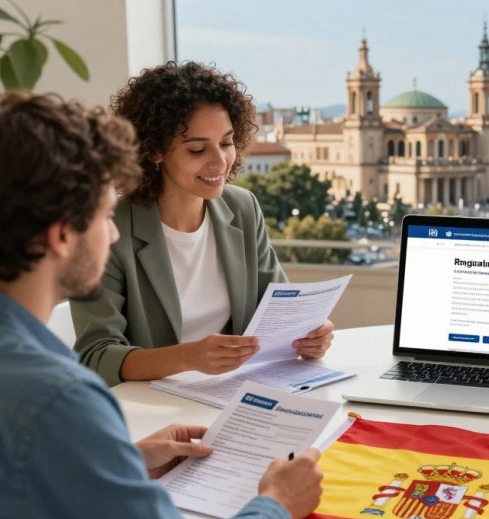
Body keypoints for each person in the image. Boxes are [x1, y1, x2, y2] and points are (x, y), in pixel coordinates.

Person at [0, 92, 325, 519]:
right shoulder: (57, 403)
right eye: (101, 214)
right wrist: (276, 505)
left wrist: (122, 463)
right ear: (60, 236)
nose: (113, 234)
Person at [71, 61, 334, 386]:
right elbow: (96, 357)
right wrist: (187, 357)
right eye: (197, 149)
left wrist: (307, 335)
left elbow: (278, 312)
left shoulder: (243, 208)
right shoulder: (108, 231)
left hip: (232, 395)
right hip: (152, 410)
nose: (220, 161)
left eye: (226, 143)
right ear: (154, 150)